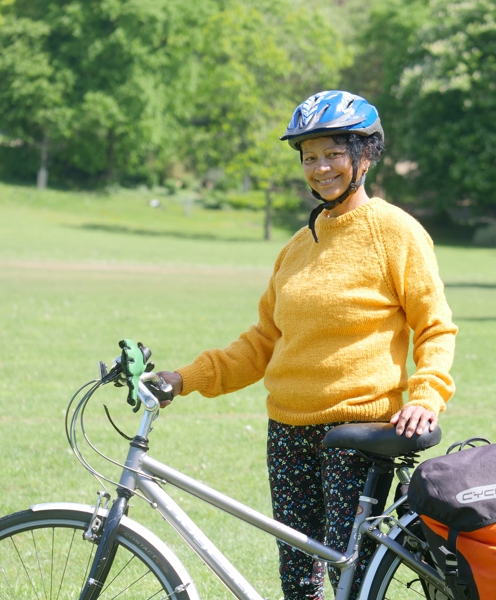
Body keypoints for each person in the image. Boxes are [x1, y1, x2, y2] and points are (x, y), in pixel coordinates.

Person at [158, 90, 457, 600]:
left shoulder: (395, 232)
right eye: (309, 157)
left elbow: (434, 325)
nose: (320, 168)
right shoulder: (298, 246)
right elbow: (260, 344)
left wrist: (426, 397)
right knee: (298, 584)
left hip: (357, 434)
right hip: (288, 433)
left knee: (350, 583)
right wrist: (183, 379)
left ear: (364, 155)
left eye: (333, 154)